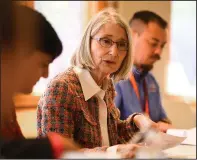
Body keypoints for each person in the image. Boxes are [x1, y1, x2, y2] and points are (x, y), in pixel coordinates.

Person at [37, 8, 158, 158]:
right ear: (88, 42)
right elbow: (60, 154)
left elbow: (110, 134)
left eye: (121, 44)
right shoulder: (62, 88)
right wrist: (112, 151)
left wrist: (137, 121)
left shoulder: (106, 84)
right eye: (106, 41)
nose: (114, 52)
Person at [0, 3, 78, 158]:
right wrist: (53, 145)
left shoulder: (6, 103)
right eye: (42, 64)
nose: (45, 74)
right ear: (16, 53)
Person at [114, 10, 172, 133]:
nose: (158, 52)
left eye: (162, 46)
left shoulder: (151, 81)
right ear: (132, 36)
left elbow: (162, 119)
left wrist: (165, 124)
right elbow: (109, 129)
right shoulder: (114, 78)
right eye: (153, 43)